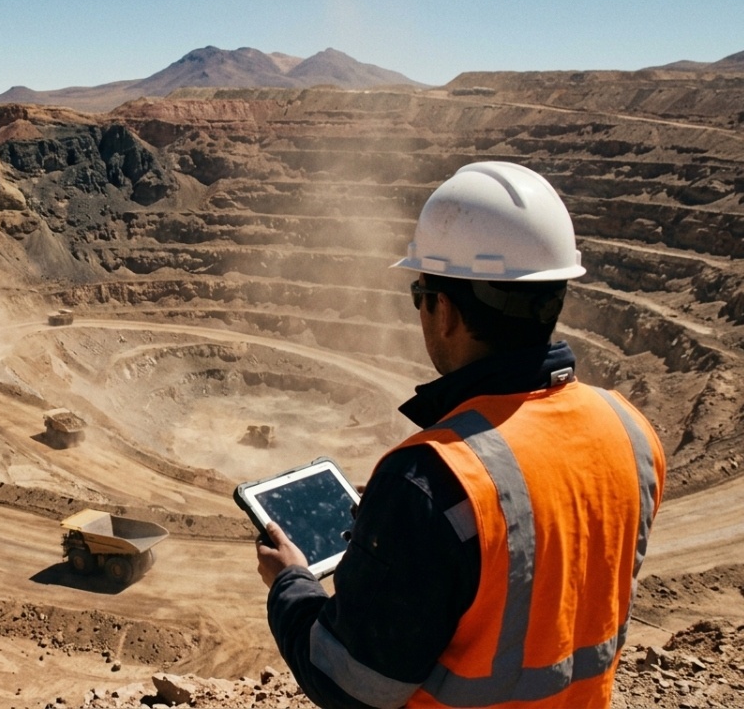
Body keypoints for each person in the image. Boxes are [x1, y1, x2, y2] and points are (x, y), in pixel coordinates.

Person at [256, 161, 666, 708]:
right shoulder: (632, 432)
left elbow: (350, 684)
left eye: (420, 293)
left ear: (444, 311)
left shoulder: (431, 480)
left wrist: (290, 582)